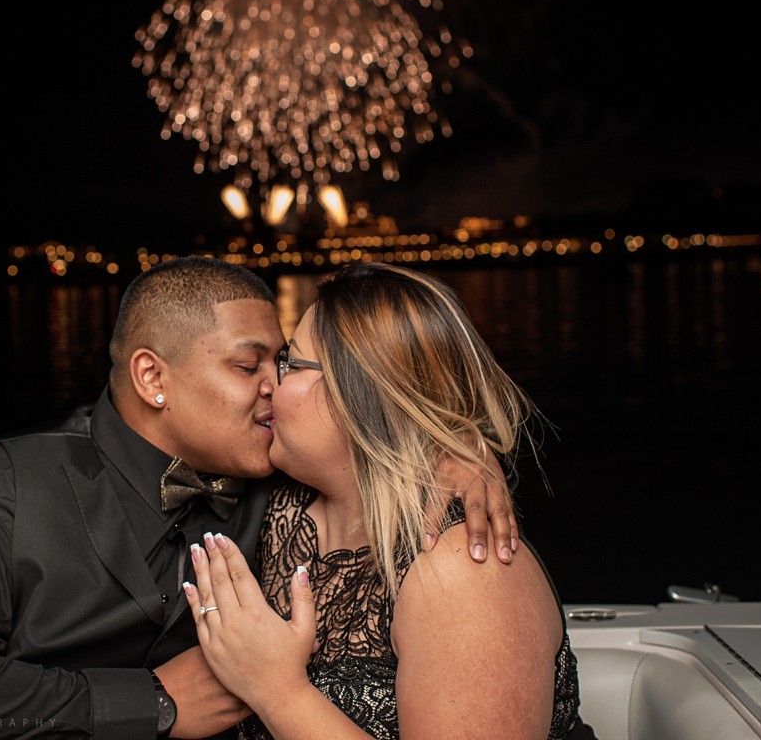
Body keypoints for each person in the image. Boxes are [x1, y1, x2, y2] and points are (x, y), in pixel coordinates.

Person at [0, 256, 517, 740]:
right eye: (247, 365)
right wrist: (154, 702)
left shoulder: (283, 483)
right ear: (152, 377)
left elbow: (377, 430)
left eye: (284, 363)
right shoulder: (9, 487)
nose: (273, 387)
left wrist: (458, 454)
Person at [184, 262, 598, 739]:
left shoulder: (465, 569)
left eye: (290, 363)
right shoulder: (278, 502)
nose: (271, 385)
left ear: (359, 393)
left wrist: (276, 690)